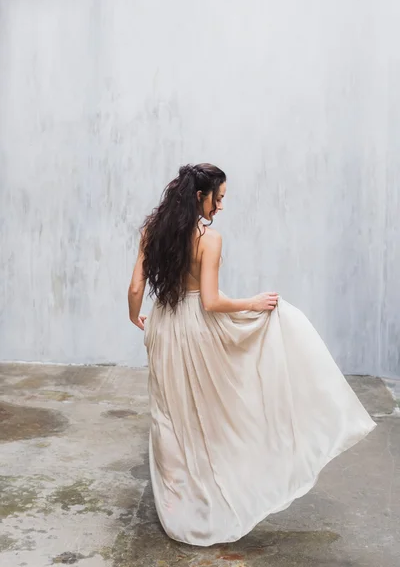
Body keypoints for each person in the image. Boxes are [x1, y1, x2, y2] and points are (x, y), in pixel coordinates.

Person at [127, 163, 376, 547]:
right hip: (195, 326)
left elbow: (135, 287)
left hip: (162, 324)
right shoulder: (209, 241)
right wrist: (254, 303)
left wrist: (135, 317)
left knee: (168, 411)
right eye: (220, 198)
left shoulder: (151, 231)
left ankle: (175, 504)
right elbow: (210, 302)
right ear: (200, 196)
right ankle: (213, 483)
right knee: (207, 406)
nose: (221, 206)